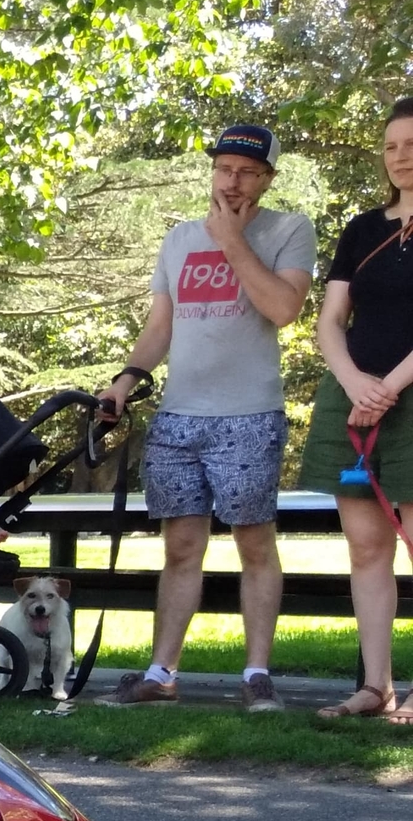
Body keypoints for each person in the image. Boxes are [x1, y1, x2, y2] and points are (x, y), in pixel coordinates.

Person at [99, 124, 316, 711]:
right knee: (181, 547)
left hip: (248, 414)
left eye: (247, 172)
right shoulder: (177, 239)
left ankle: (255, 676)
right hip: (179, 416)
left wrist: (231, 241)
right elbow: (160, 327)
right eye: (224, 169)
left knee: (253, 544)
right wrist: (125, 381)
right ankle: (161, 671)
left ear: (267, 179)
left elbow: (284, 308)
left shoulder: (289, 229)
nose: (233, 181)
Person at [300, 96, 413, 720]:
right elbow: (330, 320)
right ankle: (376, 687)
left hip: (403, 394)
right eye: (392, 146)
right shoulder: (363, 228)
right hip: (354, 397)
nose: (401, 157)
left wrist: (387, 386)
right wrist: (352, 381)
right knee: (367, 549)